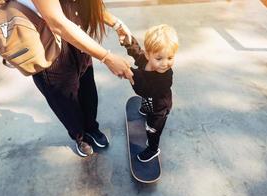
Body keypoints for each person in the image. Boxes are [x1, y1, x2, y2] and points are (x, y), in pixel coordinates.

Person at [29, 0, 134, 157]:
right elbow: (57, 22)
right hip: (50, 57)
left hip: (79, 45)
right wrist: (107, 58)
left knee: (89, 94)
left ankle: (92, 128)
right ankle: (80, 137)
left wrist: (117, 24)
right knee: (67, 106)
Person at [122, 24, 179, 162]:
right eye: (159, 58)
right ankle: (145, 109)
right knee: (146, 103)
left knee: (152, 129)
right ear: (148, 55)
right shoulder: (145, 60)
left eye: (170, 58)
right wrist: (127, 41)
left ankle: (153, 149)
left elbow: (142, 89)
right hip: (150, 100)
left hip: (159, 109)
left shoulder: (165, 78)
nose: (165, 64)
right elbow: (136, 51)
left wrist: (129, 71)